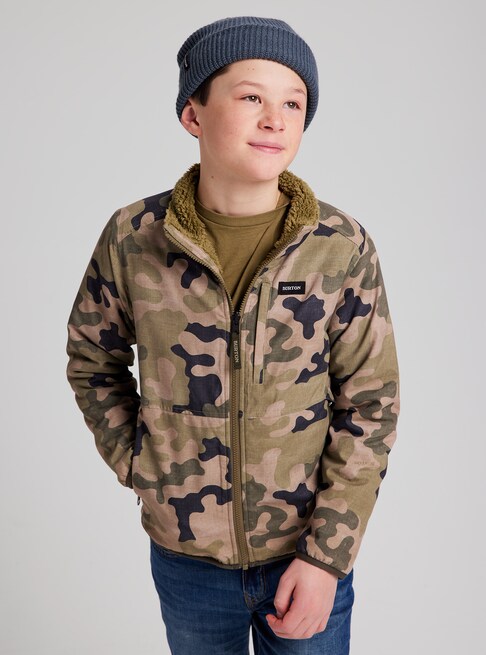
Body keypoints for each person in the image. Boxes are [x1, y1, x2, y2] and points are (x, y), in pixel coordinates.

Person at [66, 16, 399, 655]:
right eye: (251, 97)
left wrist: (327, 556)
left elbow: (372, 402)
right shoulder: (134, 238)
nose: (275, 120)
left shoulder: (338, 245)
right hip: (186, 559)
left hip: (305, 559)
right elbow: (91, 360)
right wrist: (141, 465)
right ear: (193, 115)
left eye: (293, 104)